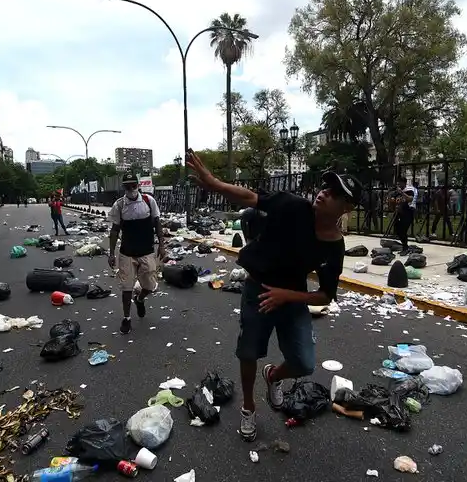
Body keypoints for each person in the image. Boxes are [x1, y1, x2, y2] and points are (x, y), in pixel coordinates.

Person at [186, 149, 360, 442]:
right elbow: (250, 197)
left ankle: (274, 376)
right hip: (258, 289)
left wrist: (287, 296)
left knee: (304, 363)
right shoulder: (294, 206)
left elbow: (326, 295)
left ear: (347, 207)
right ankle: (249, 407)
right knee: (248, 352)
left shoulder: (334, 247)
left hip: (291, 296)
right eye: (325, 186)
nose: (324, 193)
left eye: (334, 193)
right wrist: (214, 183)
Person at [107, 173, 165, 335]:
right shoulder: (119, 205)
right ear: (124, 187)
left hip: (146, 251)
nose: (131, 189)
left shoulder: (148, 201)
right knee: (126, 288)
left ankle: (139, 299)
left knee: (150, 286)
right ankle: (126, 318)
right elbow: (114, 230)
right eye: (128, 186)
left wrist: (162, 245)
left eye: (134, 185)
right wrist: (111, 253)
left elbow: (157, 223)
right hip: (127, 253)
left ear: (138, 185)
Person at [393, 176, 416, 255]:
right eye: (398, 183)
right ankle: (404, 246)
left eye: (400, 183)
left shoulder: (409, 190)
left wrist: (402, 193)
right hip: (399, 213)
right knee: (397, 230)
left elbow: (410, 199)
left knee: (403, 231)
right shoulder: (397, 192)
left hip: (408, 213)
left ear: (404, 183)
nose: (398, 184)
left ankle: (405, 248)